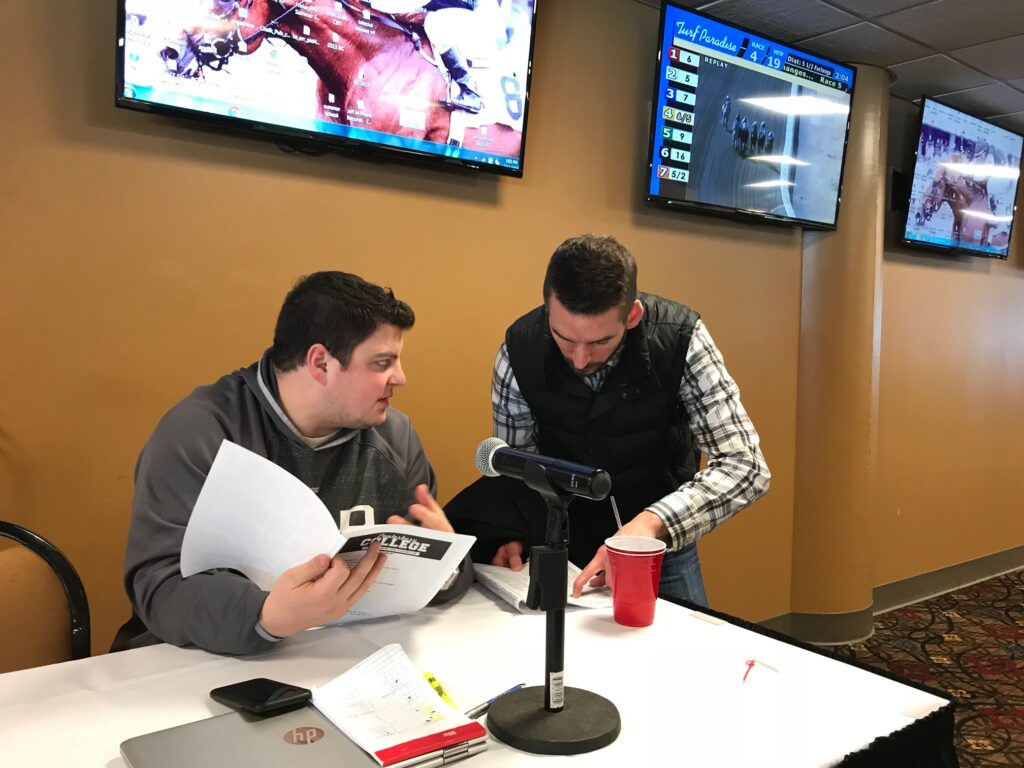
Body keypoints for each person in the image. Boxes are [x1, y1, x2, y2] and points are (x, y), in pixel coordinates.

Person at [114, 272, 471, 655]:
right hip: (198, 665)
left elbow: (424, 574)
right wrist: (265, 616)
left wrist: (447, 563)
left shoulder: (394, 436)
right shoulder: (201, 433)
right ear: (320, 363)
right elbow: (159, 585)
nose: (400, 378)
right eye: (382, 362)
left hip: (343, 656)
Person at [485, 234, 770, 606]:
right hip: (562, 541)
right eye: (563, 338)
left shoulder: (681, 339)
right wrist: (512, 531)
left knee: (675, 660)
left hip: (659, 546)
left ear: (632, 316)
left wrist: (651, 524)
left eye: (600, 342)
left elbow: (746, 466)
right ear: (548, 310)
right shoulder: (518, 350)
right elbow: (518, 469)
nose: (580, 359)